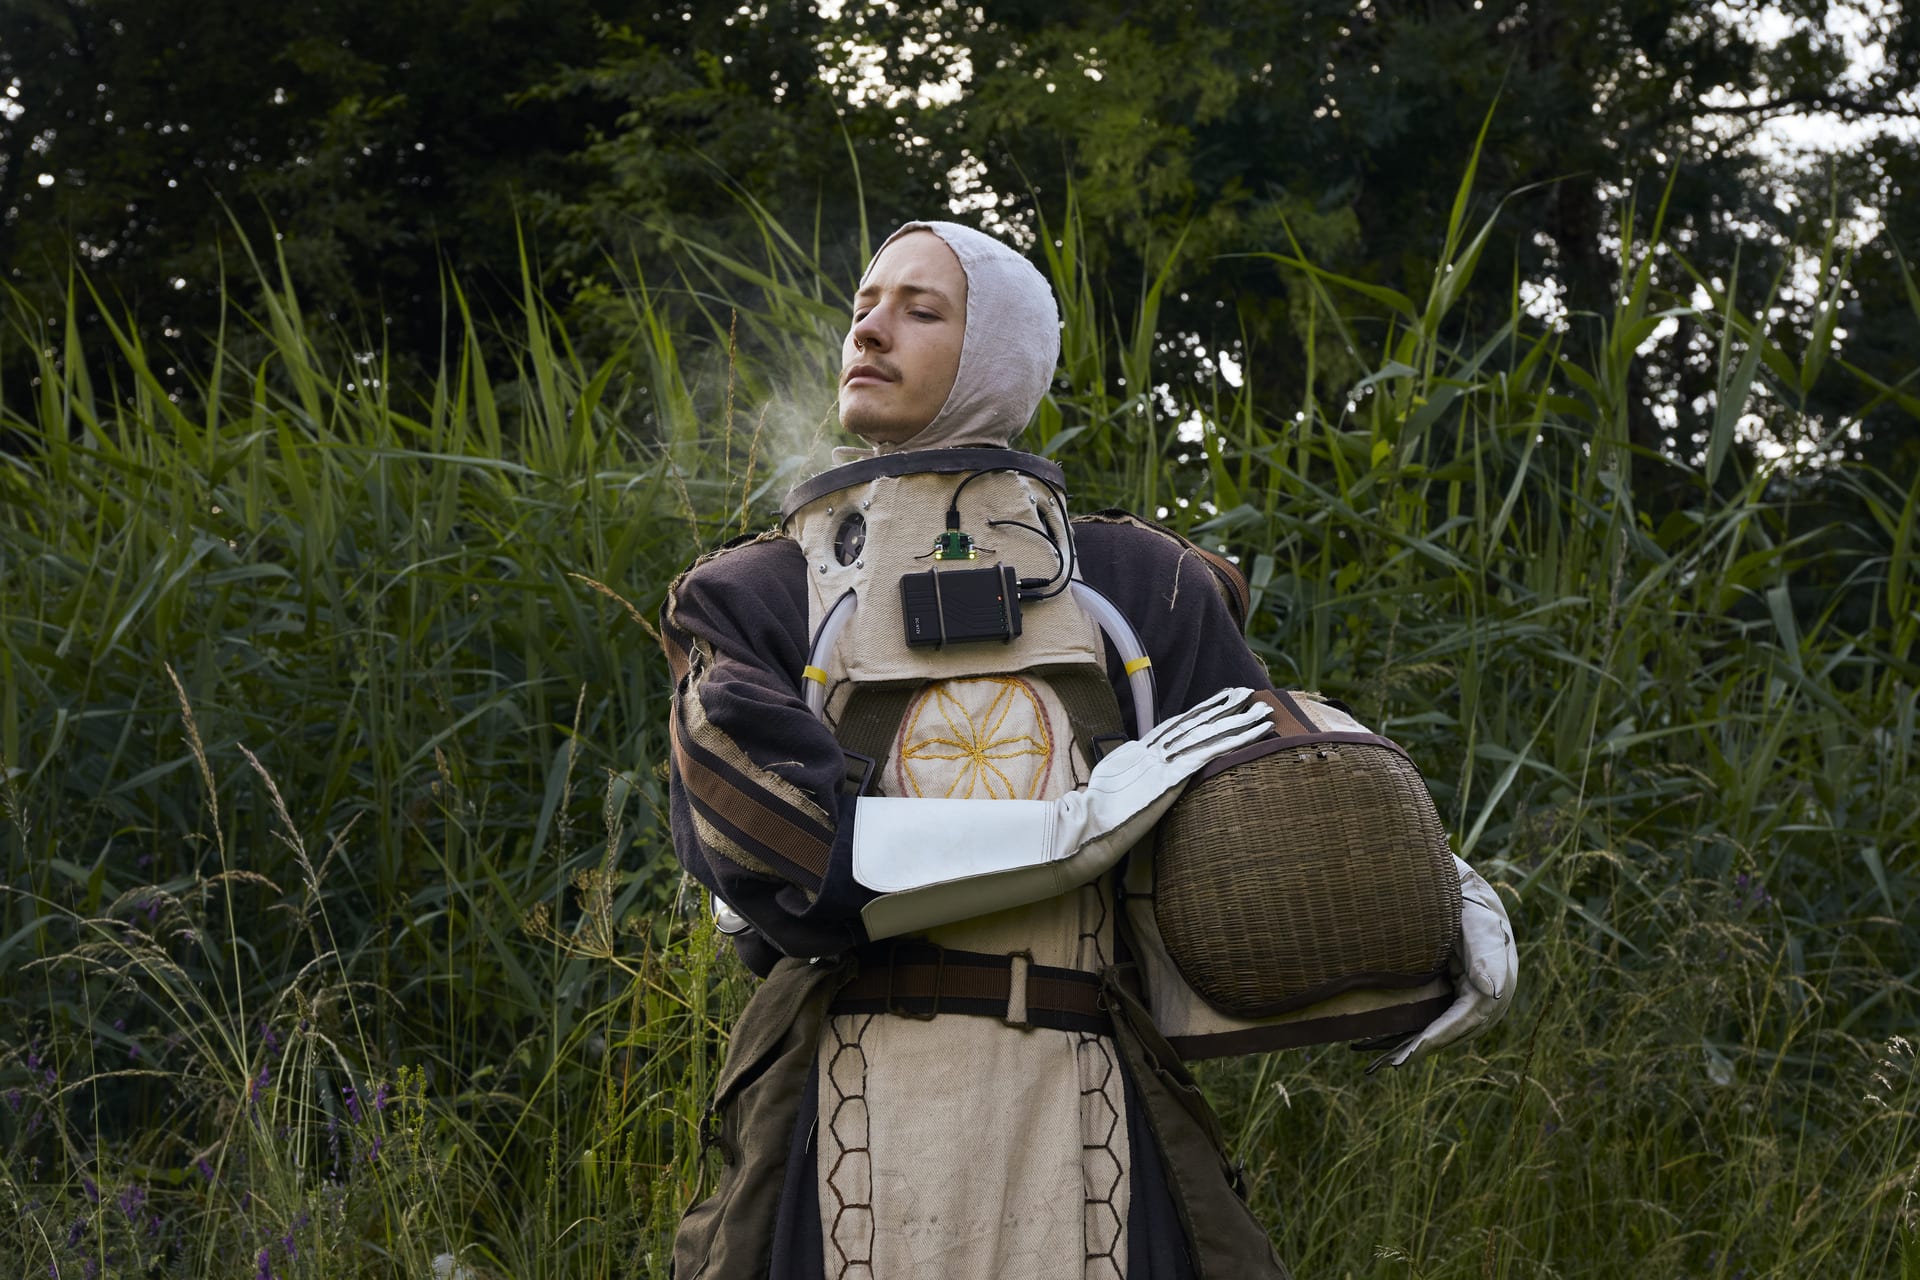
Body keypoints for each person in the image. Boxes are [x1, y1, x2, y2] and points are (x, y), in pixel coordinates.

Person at [658, 220, 1517, 1279]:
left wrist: (1436, 897)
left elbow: (1273, 793)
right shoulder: (756, 592)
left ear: (1002, 352)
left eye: (922, 310)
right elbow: (775, 850)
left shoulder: (1139, 582)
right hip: (838, 1093)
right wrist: (1074, 824)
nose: (871, 330)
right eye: (864, 305)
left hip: (1090, 1099)